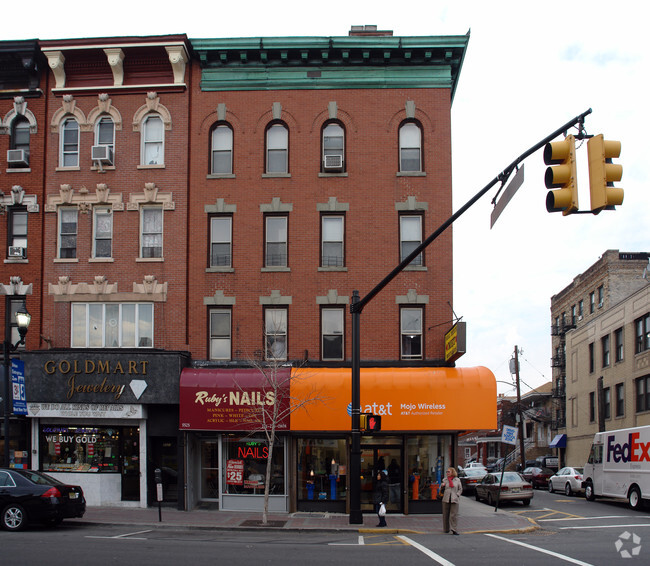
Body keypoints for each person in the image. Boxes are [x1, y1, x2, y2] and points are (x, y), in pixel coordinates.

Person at [440, 466, 462, 535]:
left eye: (448, 472)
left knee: (453, 515)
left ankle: (454, 529)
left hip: (454, 499)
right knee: (445, 515)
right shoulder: (445, 480)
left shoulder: (457, 480)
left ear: (452, 472)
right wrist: (442, 486)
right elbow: (441, 489)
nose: (447, 473)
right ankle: (446, 529)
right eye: (447, 472)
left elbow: (460, 489)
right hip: (446, 499)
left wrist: (457, 495)